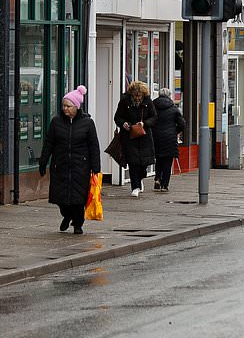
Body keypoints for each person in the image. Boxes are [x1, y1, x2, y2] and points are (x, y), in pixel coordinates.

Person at [39, 86, 100, 235]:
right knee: (60, 198)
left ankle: (78, 224)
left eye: (68, 106)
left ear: (77, 107)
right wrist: (43, 161)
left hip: (81, 166)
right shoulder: (56, 122)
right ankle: (67, 215)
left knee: (78, 198)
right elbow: (49, 143)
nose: (65, 109)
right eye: (64, 106)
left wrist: (96, 167)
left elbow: (94, 146)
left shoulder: (87, 123)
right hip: (60, 165)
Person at [114, 80, 157, 197]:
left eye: (140, 96)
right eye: (135, 96)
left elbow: (154, 117)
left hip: (144, 136)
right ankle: (135, 187)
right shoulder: (124, 102)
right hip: (129, 137)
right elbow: (117, 117)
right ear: (131, 94)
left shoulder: (148, 102)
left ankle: (140, 178)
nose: (137, 98)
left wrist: (145, 123)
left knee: (144, 164)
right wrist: (124, 124)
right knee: (133, 163)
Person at [151, 88, 184, 193]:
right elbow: (182, 124)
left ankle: (157, 178)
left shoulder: (152, 106)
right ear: (169, 96)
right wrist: (175, 131)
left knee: (159, 159)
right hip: (169, 138)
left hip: (155, 137)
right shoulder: (174, 108)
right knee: (167, 162)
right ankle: (164, 185)